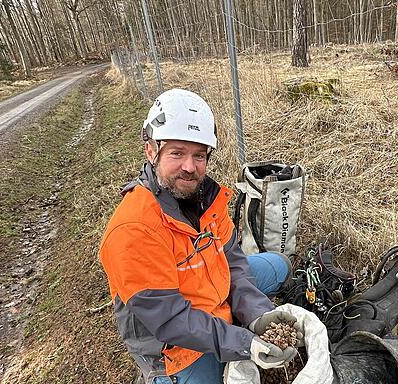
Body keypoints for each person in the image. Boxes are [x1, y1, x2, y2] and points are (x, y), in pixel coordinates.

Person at [99, 89, 300, 384]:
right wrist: (245, 343)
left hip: (210, 294)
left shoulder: (209, 201)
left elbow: (234, 264)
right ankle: (159, 377)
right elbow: (169, 318)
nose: (190, 167)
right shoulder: (133, 229)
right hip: (173, 344)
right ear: (151, 151)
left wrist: (256, 313)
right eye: (177, 153)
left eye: (199, 155)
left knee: (279, 265)